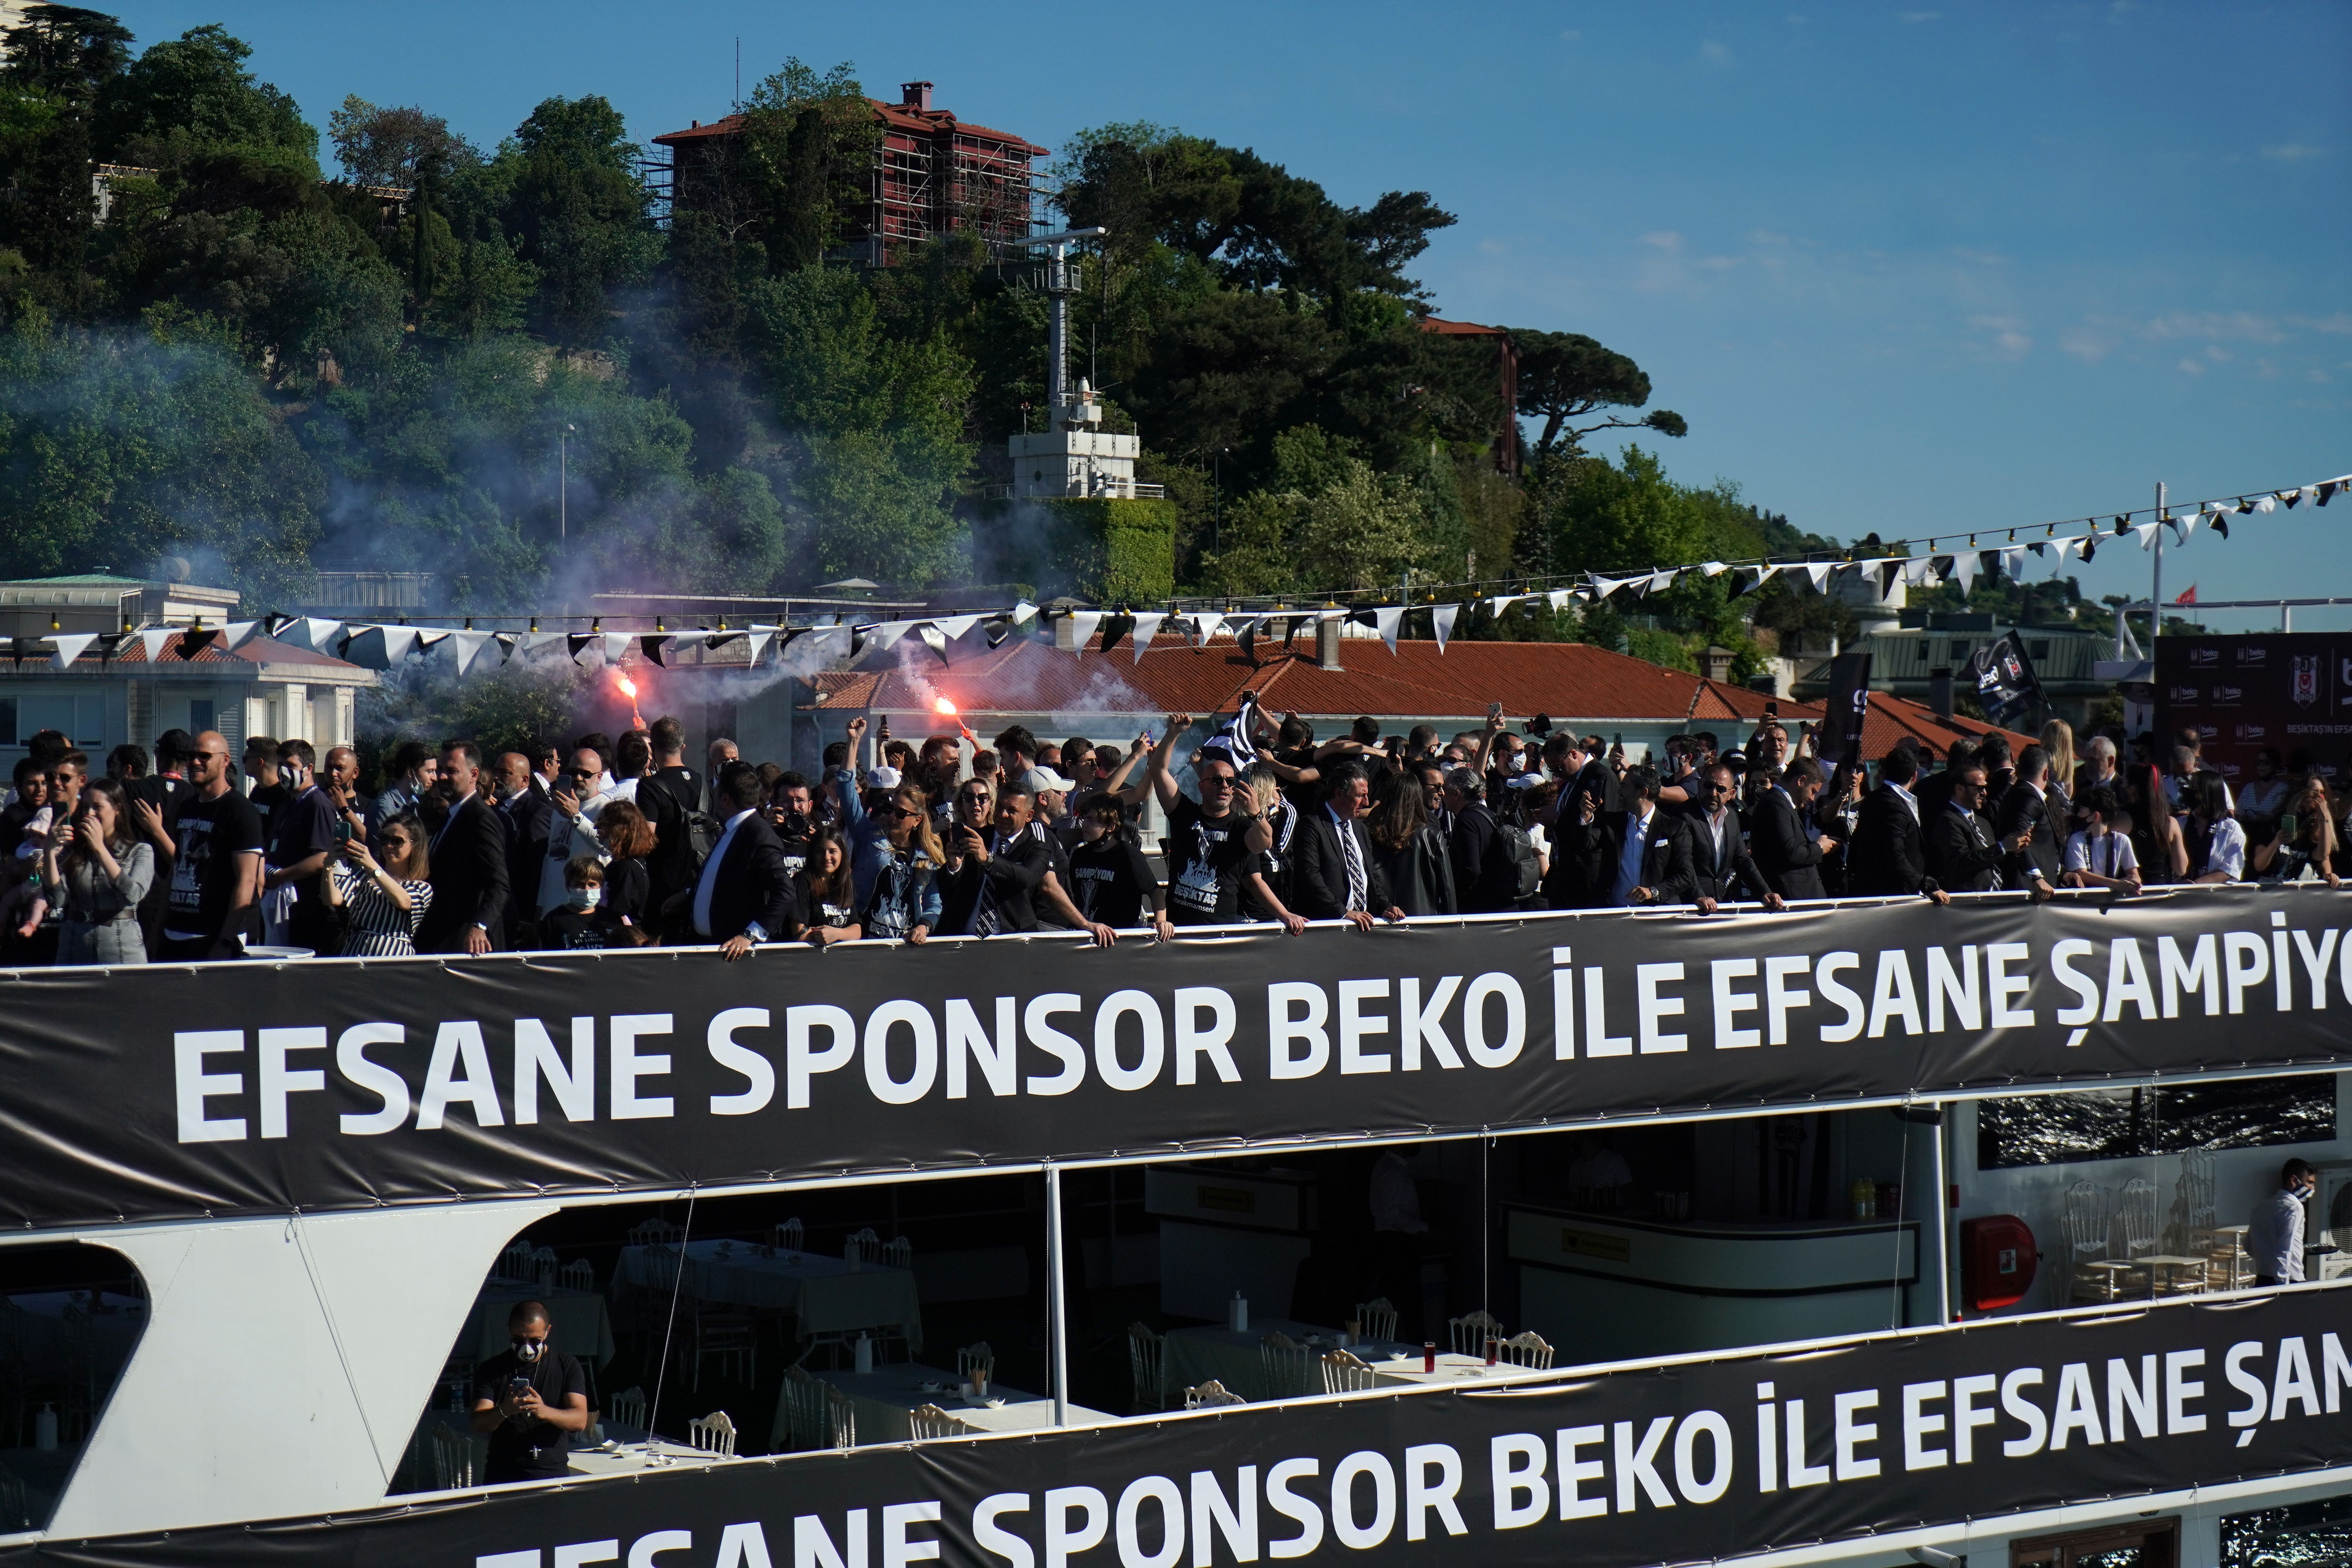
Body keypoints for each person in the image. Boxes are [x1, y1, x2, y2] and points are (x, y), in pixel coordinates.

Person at [1146, 715, 1294, 932]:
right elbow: (1159, 770)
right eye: (1216, 780)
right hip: (1178, 930)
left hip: (1221, 932)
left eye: (1230, 781)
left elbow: (1261, 852)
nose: (1224, 786)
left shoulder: (1242, 826)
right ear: (1201, 787)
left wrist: (1285, 915)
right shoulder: (1183, 813)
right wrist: (1173, 734)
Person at [160, 730, 266, 960]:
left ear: (225, 761)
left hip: (212, 936)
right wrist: (157, 930)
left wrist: (226, 940)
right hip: (174, 932)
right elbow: (175, 869)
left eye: (205, 756)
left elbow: (249, 879)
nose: (195, 762)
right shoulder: (187, 806)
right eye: (191, 756)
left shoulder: (240, 810)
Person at [470, 1301, 590, 1484]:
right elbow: (479, 1423)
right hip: (503, 1475)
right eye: (518, 1339)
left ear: (547, 1331)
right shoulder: (492, 1369)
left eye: (535, 1341)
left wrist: (544, 1411)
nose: (527, 1348)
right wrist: (505, 1410)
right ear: (509, 1331)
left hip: (552, 1475)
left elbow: (580, 1420)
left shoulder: (566, 1365)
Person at [40, 777, 153, 965]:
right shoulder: (73, 851)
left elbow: (133, 895)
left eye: (97, 807)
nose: (90, 814)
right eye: (85, 807)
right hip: (75, 947)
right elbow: (56, 899)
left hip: (120, 949)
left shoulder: (139, 851)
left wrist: (100, 848)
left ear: (117, 809)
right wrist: (49, 852)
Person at [690, 764, 798, 960]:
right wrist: (688, 894)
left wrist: (750, 935)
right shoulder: (733, 829)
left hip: (737, 959)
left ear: (725, 798)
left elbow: (785, 893)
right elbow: (725, 879)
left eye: (716, 792)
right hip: (712, 951)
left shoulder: (758, 835)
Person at [416, 741, 508, 955]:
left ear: (474, 775)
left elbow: (499, 885)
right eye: (440, 769)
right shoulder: (450, 815)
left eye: (452, 771)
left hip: (463, 945)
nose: (442, 777)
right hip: (438, 938)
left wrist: (480, 926)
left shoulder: (481, 819)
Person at [1288, 763, 1406, 929]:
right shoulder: (1312, 826)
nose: (1366, 802)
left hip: (1362, 924)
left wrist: (1386, 906)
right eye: (1360, 796)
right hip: (1327, 926)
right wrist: (1343, 913)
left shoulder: (1360, 829)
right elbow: (1310, 876)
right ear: (1339, 794)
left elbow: (1371, 876)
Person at [937, 780, 1056, 938]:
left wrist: (988, 859)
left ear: (1029, 816)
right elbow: (946, 892)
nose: (1003, 815)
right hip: (964, 936)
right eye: (1000, 807)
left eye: (1012, 810)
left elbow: (1026, 877)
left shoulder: (1038, 848)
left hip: (1011, 939)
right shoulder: (977, 837)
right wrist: (954, 867)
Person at [1570, 765, 1699, 909]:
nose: (1619, 791)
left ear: (1643, 793)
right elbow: (1583, 846)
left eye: (1625, 786)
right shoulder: (1611, 822)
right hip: (1614, 911)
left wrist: (1654, 892)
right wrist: (1586, 816)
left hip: (1655, 913)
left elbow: (1686, 875)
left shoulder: (1674, 828)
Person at [321, 810, 433, 958]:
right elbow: (331, 899)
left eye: (397, 841)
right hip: (356, 954)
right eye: (384, 839)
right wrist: (329, 865)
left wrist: (373, 867)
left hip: (392, 959)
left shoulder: (421, 888)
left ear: (415, 845)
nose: (389, 846)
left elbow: (403, 901)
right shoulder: (363, 877)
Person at [264, 739, 340, 953]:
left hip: (307, 909)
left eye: (291, 765)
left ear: (309, 769)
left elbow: (323, 858)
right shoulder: (287, 804)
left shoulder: (318, 804)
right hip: (280, 903)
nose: (284, 772)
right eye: (280, 766)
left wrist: (281, 875)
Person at [1847, 747, 1948, 903]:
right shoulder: (1895, 806)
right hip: (1894, 896)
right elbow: (1894, 854)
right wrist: (1925, 885)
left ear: (1884, 771)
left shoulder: (1872, 799)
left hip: (1868, 891)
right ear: (1914, 776)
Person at [1681, 763, 1783, 911]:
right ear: (1699, 785)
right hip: (1690, 906)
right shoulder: (1684, 816)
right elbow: (1683, 863)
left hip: (1722, 903)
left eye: (1721, 789)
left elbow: (1742, 860)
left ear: (1732, 794)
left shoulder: (1732, 817)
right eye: (1708, 786)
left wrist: (1765, 892)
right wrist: (1698, 896)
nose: (1713, 793)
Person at [1063, 793, 1165, 934]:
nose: (1084, 824)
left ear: (1110, 827)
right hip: (1086, 934)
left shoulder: (1128, 854)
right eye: (1084, 818)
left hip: (1119, 937)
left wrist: (1161, 922)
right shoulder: (1079, 855)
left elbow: (1155, 892)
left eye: (1092, 820)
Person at [858, 782, 942, 944]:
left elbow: (934, 903)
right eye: (890, 810)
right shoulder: (871, 839)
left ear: (917, 821)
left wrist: (923, 927)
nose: (892, 817)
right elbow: (850, 803)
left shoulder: (925, 859)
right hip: (867, 941)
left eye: (901, 813)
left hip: (904, 945)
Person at [1366, 769, 1456, 916]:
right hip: (1422, 918)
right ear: (1417, 797)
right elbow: (1446, 886)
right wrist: (1452, 921)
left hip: (1380, 916)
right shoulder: (1431, 835)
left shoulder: (1370, 832)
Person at [1752, 758, 1835, 901]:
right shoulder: (1776, 804)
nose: (1812, 798)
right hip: (1790, 897)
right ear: (1801, 781)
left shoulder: (1783, 804)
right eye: (1812, 791)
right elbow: (1789, 853)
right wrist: (1819, 848)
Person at [1923, 761, 2013, 894]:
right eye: (1978, 788)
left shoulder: (1983, 823)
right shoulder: (1948, 820)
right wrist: (2002, 848)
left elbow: (1993, 858)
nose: (1984, 793)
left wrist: (2013, 850)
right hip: (1968, 901)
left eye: (1985, 787)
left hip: (1993, 897)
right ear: (1960, 789)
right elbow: (1961, 861)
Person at [1443, 767, 1519, 914]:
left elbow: (1471, 869)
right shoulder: (1488, 814)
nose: (1442, 794)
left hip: (1484, 909)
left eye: (1445, 789)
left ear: (1457, 794)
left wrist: (1455, 898)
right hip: (1503, 904)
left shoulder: (1466, 820)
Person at [1995, 744, 2062, 900]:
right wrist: (2036, 877)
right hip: (2028, 890)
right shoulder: (2028, 798)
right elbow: (2019, 839)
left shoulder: (2017, 794)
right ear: (2046, 774)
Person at [537, 855, 637, 949]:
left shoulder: (612, 919)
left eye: (592, 885)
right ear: (568, 886)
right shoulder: (553, 921)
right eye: (579, 884)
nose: (586, 889)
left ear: (600, 886)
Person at [2248, 1159, 2318, 1288]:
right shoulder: (2295, 1208)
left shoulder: (2261, 1208)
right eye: (2310, 1183)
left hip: (2262, 1280)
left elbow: (2248, 1246)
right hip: (2289, 1280)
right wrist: (2283, 1286)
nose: (2312, 1189)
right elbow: (2285, 1249)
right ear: (2293, 1180)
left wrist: (2266, 1257)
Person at [594, 798, 657, 934]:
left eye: (602, 824)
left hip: (624, 941)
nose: (596, 827)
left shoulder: (627, 868)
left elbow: (618, 913)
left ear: (619, 829)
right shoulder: (624, 864)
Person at [795, 823, 862, 945]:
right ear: (813, 855)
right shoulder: (803, 881)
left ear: (842, 854)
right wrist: (823, 937)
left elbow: (857, 930)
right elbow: (799, 933)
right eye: (820, 852)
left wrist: (836, 934)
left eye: (832, 851)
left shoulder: (845, 882)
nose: (827, 857)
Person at [2187, 772, 2247, 884]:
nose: (2191, 795)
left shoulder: (2231, 828)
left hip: (2214, 898)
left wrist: (2194, 886)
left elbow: (2231, 870)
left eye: (2196, 791)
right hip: (2179, 895)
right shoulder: (2183, 823)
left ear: (2210, 794)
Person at [368, 740, 436, 835]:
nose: (435, 778)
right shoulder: (384, 808)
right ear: (410, 772)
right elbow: (379, 849)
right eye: (429, 771)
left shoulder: (414, 804)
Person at [2237, 747, 2290, 826]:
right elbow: (2237, 814)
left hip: (2270, 835)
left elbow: (2282, 817)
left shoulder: (2283, 789)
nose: (2261, 766)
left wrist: (2262, 818)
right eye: (2258, 762)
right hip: (2246, 834)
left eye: (2266, 763)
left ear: (2275, 765)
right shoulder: (2248, 788)